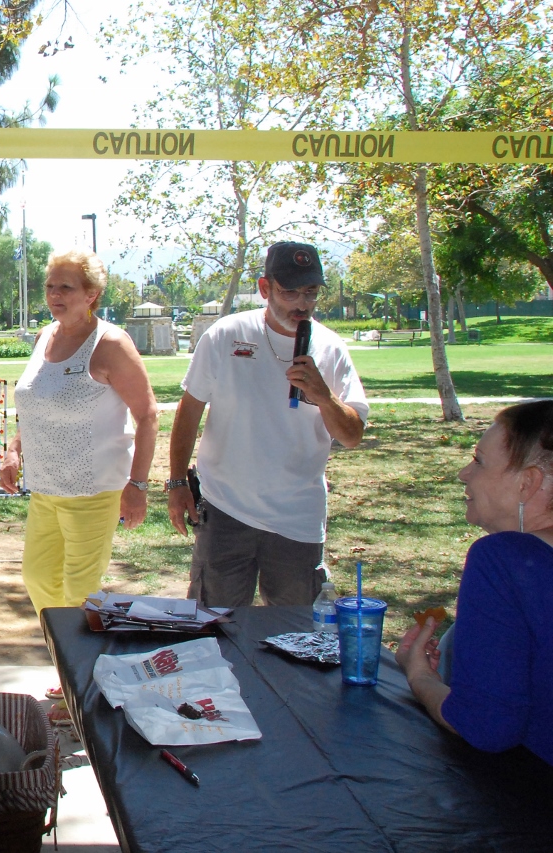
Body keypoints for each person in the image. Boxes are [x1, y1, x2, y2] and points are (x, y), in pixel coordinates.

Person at [167, 241, 367, 608]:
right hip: (225, 510)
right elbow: (190, 410)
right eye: (290, 292)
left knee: (296, 629)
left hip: (297, 518)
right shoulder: (226, 335)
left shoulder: (331, 348)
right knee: (216, 624)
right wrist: (178, 482)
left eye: (310, 292)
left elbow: (352, 436)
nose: (301, 303)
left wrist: (324, 396)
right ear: (265, 288)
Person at [1, 247, 159, 618]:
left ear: (92, 294)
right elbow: (36, 403)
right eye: (50, 286)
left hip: (94, 489)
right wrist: (14, 450)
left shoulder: (111, 344)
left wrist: (137, 485)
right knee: (39, 579)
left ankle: (82, 656)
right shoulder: (44, 337)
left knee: (79, 592)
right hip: (45, 487)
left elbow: (148, 415)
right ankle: (61, 652)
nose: (54, 295)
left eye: (66, 287)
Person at [396, 401, 553, 765]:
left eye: (479, 461)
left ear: (528, 483)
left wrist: (420, 676)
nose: (463, 474)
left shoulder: (505, 560)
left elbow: (487, 725)